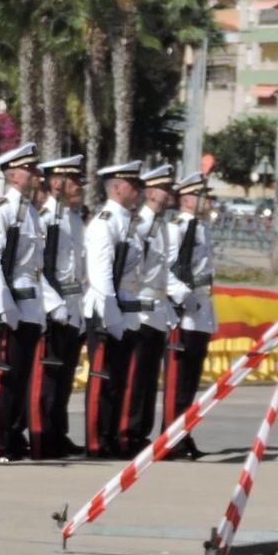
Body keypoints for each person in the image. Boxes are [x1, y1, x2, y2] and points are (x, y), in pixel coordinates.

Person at [0, 141, 44, 463]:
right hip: (12, 303)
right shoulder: (3, 208)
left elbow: (36, 267)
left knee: (21, 376)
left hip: (31, 302)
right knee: (4, 376)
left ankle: (13, 436)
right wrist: (3, 305)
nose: (35, 174)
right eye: (29, 169)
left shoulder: (31, 211)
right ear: (13, 174)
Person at [83, 162, 145, 460]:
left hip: (125, 311)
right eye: (135, 186)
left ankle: (111, 437)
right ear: (118, 188)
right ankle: (96, 440)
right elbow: (101, 276)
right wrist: (112, 317)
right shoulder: (105, 223)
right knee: (102, 380)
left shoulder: (127, 222)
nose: (139, 192)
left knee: (119, 380)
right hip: (107, 312)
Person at [32, 157, 87, 459]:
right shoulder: (44, 218)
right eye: (73, 180)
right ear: (55, 183)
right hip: (53, 308)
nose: (78, 186)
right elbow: (38, 267)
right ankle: (43, 438)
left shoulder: (73, 218)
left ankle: (58, 432)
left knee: (64, 378)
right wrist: (53, 305)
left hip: (73, 305)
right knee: (49, 379)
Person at [120, 164, 176, 451]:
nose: (168, 195)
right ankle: (128, 431)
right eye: (163, 189)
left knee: (149, 375)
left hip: (157, 308)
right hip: (140, 306)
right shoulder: (139, 224)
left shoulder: (162, 226)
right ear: (151, 192)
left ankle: (141, 431)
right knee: (136, 375)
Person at [164, 173, 217, 459]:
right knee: (178, 381)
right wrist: (183, 297)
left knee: (191, 381)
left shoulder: (201, 229)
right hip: (183, 312)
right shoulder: (176, 229)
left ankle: (184, 434)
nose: (206, 201)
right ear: (186, 199)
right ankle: (171, 438)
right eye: (201, 196)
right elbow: (164, 268)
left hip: (201, 310)